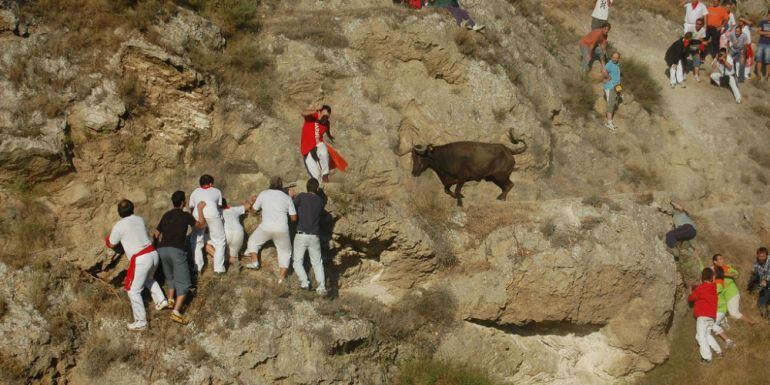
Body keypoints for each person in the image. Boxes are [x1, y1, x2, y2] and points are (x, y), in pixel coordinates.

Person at [105, 199, 167, 331]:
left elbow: (111, 243)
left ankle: (141, 321)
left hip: (141, 258)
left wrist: (106, 238)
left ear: (119, 212)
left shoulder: (119, 225)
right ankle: (161, 301)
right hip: (152, 253)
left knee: (133, 290)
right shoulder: (139, 219)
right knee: (149, 279)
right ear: (132, 208)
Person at [154, 191, 206, 325]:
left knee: (170, 276)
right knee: (184, 283)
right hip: (176, 250)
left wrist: (157, 247)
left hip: (162, 249)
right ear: (183, 202)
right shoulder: (185, 216)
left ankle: (171, 299)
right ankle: (176, 312)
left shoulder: (166, 215)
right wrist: (200, 210)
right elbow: (200, 225)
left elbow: (156, 233)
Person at [244, 176, 297, 284]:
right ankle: (281, 279)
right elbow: (294, 218)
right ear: (281, 185)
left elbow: (254, 210)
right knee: (285, 253)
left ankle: (254, 262)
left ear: (270, 184)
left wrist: (252, 204)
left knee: (253, 241)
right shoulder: (287, 198)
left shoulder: (264, 194)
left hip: (266, 227)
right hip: (282, 228)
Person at [291, 178, 327, 295]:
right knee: (317, 263)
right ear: (316, 189)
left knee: (297, 261)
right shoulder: (320, 202)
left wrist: (291, 196)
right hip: (315, 235)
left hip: (301, 234)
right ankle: (321, 287)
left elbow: (291, 206)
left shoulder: (301, 196)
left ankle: (305, 283)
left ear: (306, 187)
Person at [189, 174, 227, 274]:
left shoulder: (195, 192)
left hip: (197, 213)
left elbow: (191, 207)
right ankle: (218, 269)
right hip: (213, 214)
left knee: (196, 241)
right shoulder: (216, 191)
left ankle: (197, 268)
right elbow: (219, 206)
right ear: (211, 184)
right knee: (219, 241)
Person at [688, 268, 723, 363]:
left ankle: (707, 358)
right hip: (711, 316)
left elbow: (691, 298)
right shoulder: (713, 287)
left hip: (702, 316)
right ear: (712, 277)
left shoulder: (701, 288)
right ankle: (719, 351)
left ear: (702, 277)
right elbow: (711, 282)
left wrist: (690, 289)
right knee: (706, 335)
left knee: (700, 336)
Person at [713, 253, 757, 325]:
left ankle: (751, 322)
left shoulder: (727, 267)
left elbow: (736, 274)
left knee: (733, 313)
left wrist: (724, 274)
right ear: (715, 262)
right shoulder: (713, 270)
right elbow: (705, 272)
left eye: (722, 259)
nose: (722, 260)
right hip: (723, 296)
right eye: (720, 259)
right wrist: (698, 259)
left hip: (732, 293)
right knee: (722, 310)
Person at [300, 105, 335, 183]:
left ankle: (325, 174)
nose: (325, 118)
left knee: (323, 152)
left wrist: (330, 136)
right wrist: (314, 109)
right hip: (306, 149)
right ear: (319, 112)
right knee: (316, 176)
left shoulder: (326, 123)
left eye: (327, 117)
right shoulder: (312, 117)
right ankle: (319, 187)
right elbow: (303, 113)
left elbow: (327, 130)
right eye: (324, 115)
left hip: (318, 144)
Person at [711, 266, 737, 348]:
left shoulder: (718, 282)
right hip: (718, 309)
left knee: (713, 326)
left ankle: (729, 341)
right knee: (717, 320)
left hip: (721, 308)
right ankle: (724, 322)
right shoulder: (714, 281)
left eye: (712, 270)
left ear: (715, 273)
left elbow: (714, 292)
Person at [222, 198, 249, 267]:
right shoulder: (233, 209)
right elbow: (248, 205)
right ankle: (235, 263)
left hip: (226, 233)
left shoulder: (216, 211)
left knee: (207, 245)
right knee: (233, 257)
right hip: (239, 232)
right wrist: (245, 202)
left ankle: (224, 258)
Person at [748, 247, 770, 319]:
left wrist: (765, 280)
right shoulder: (756, 262)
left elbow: (768, 275)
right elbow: (757, 273)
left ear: (767, 255)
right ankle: (766, 315)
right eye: (759, 256)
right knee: (761, 301)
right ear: (757, 255)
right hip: (764, 285)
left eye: (763, 256)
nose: (761, 258)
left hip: (767, 282)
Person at [602, 51, 621, 131]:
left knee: (613, 103)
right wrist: (608, 77)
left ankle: (610, 122)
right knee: (611, 104)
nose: (615, 59)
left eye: (616, 58)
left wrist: (619, 89)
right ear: (611, 57)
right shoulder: (609, 64)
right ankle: (609, 123)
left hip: (616, 87)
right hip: (610, 86)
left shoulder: (617, 65)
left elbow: (617, 77)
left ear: (618, 58)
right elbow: (603, 71)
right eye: (613, 57)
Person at [756, 10, 770, 81]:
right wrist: (767, 33)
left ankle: (767, 75)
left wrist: (763, 33)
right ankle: (758, 74)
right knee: (759, 59)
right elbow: (758, 31)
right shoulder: (762, 22)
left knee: (768, 60)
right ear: (767, 15)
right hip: (761, 43)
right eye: (769, 15)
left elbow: (761, 32)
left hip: (769, 44)